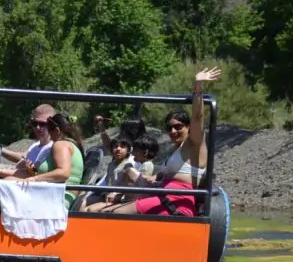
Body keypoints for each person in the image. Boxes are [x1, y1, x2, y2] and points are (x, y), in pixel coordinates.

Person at [90, 67, 221, 216]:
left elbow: (198, 117)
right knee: (92, 209)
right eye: (169, 128)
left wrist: (198, 86)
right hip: (162, 195)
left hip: (175, 202)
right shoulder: (176, 150)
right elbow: (162, 176)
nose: (173, 131)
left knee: (111, 213)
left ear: (188, 126)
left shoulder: (194, 144)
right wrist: (148, 180)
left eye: (178, 127)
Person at [20, 112, 85, 209]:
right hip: (59, 194)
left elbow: (63, 173)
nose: (50, 138)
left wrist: (35, 179)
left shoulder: (60, 144)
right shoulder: (74, 145)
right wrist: (33, 172)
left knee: (4, 188)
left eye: (50, 133)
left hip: (57, 196)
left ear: (57, 131)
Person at [0, 104, 57, 179]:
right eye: (34, 123)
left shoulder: (53, 148)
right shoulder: (37, 145)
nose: (37, 127)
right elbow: (22, 157)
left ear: (52, 125)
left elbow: (34, 173)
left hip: (37, 186)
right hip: (26, 183)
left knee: (7, 180)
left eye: (42, 124)